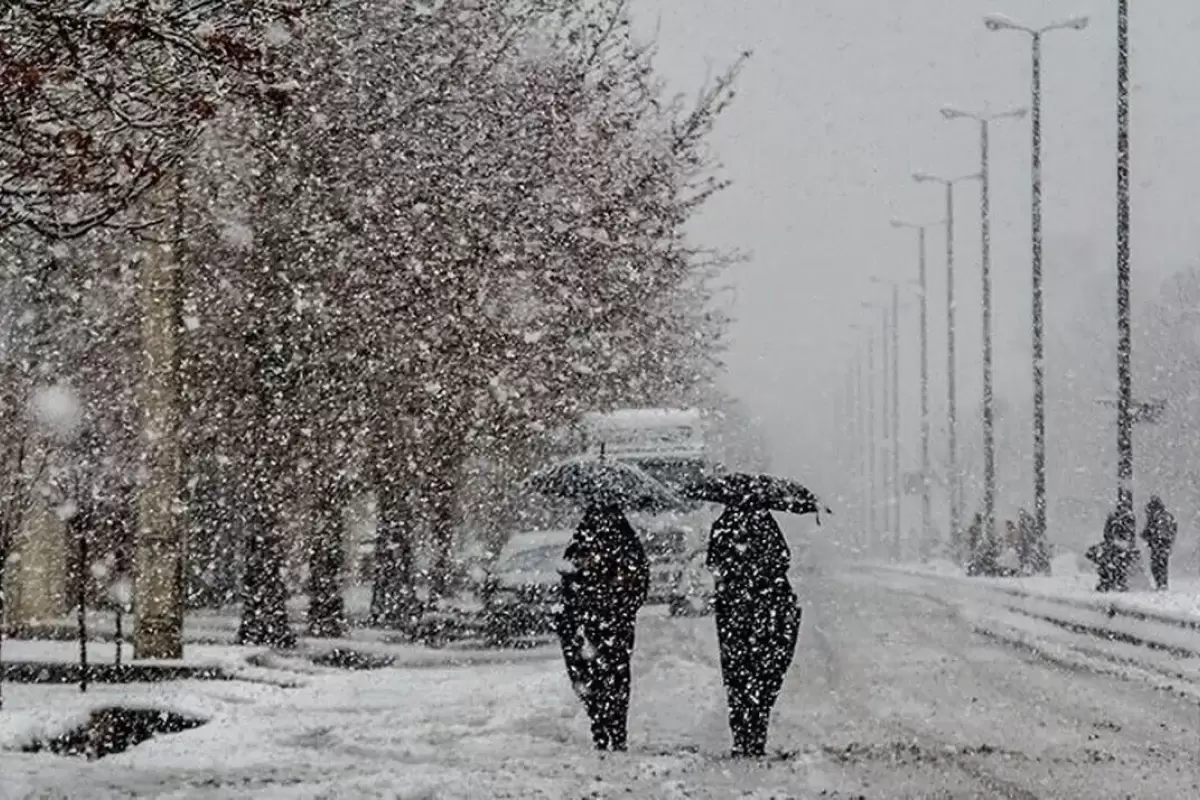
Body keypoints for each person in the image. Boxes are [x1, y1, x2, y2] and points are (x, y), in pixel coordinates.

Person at [706, 504, 802, 758]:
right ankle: (756, 732)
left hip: (734, 614)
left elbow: (713, 565)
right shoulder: (766, 524)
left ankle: (742, 736)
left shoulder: (722, 526)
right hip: (763, 612)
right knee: (764, 674)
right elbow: (782, 560)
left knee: (737, 675)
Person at [555, 502, 649, 751]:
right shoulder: (627, 542)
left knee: (592, 676)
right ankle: (616, 729)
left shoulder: (582, 541)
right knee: (616, 676)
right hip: (614, 623)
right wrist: (624, 608)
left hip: (592, 622)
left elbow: (569, 581)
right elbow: (640, 582)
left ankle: (601, 726)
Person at [1141, 495, 1177, 591]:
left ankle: (1160, 584)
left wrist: (1148, 536)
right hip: (1164, 544)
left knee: (1156, 565)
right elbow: (1173, 529)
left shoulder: (1156, 517)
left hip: (1157, 544)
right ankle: (1162, 584)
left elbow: (1150, 531)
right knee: (1162, 565)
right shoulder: (1167, 516)